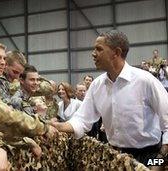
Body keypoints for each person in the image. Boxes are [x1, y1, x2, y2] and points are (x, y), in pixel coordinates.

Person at [50, 30, 168, 166]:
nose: (93, 54)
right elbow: (82, 119)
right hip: (115, 157)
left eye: (99, 49)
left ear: (116, 53)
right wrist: (59, 126)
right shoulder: (97, 86)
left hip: (149, 156)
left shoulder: (145, 81)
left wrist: (159, 162)